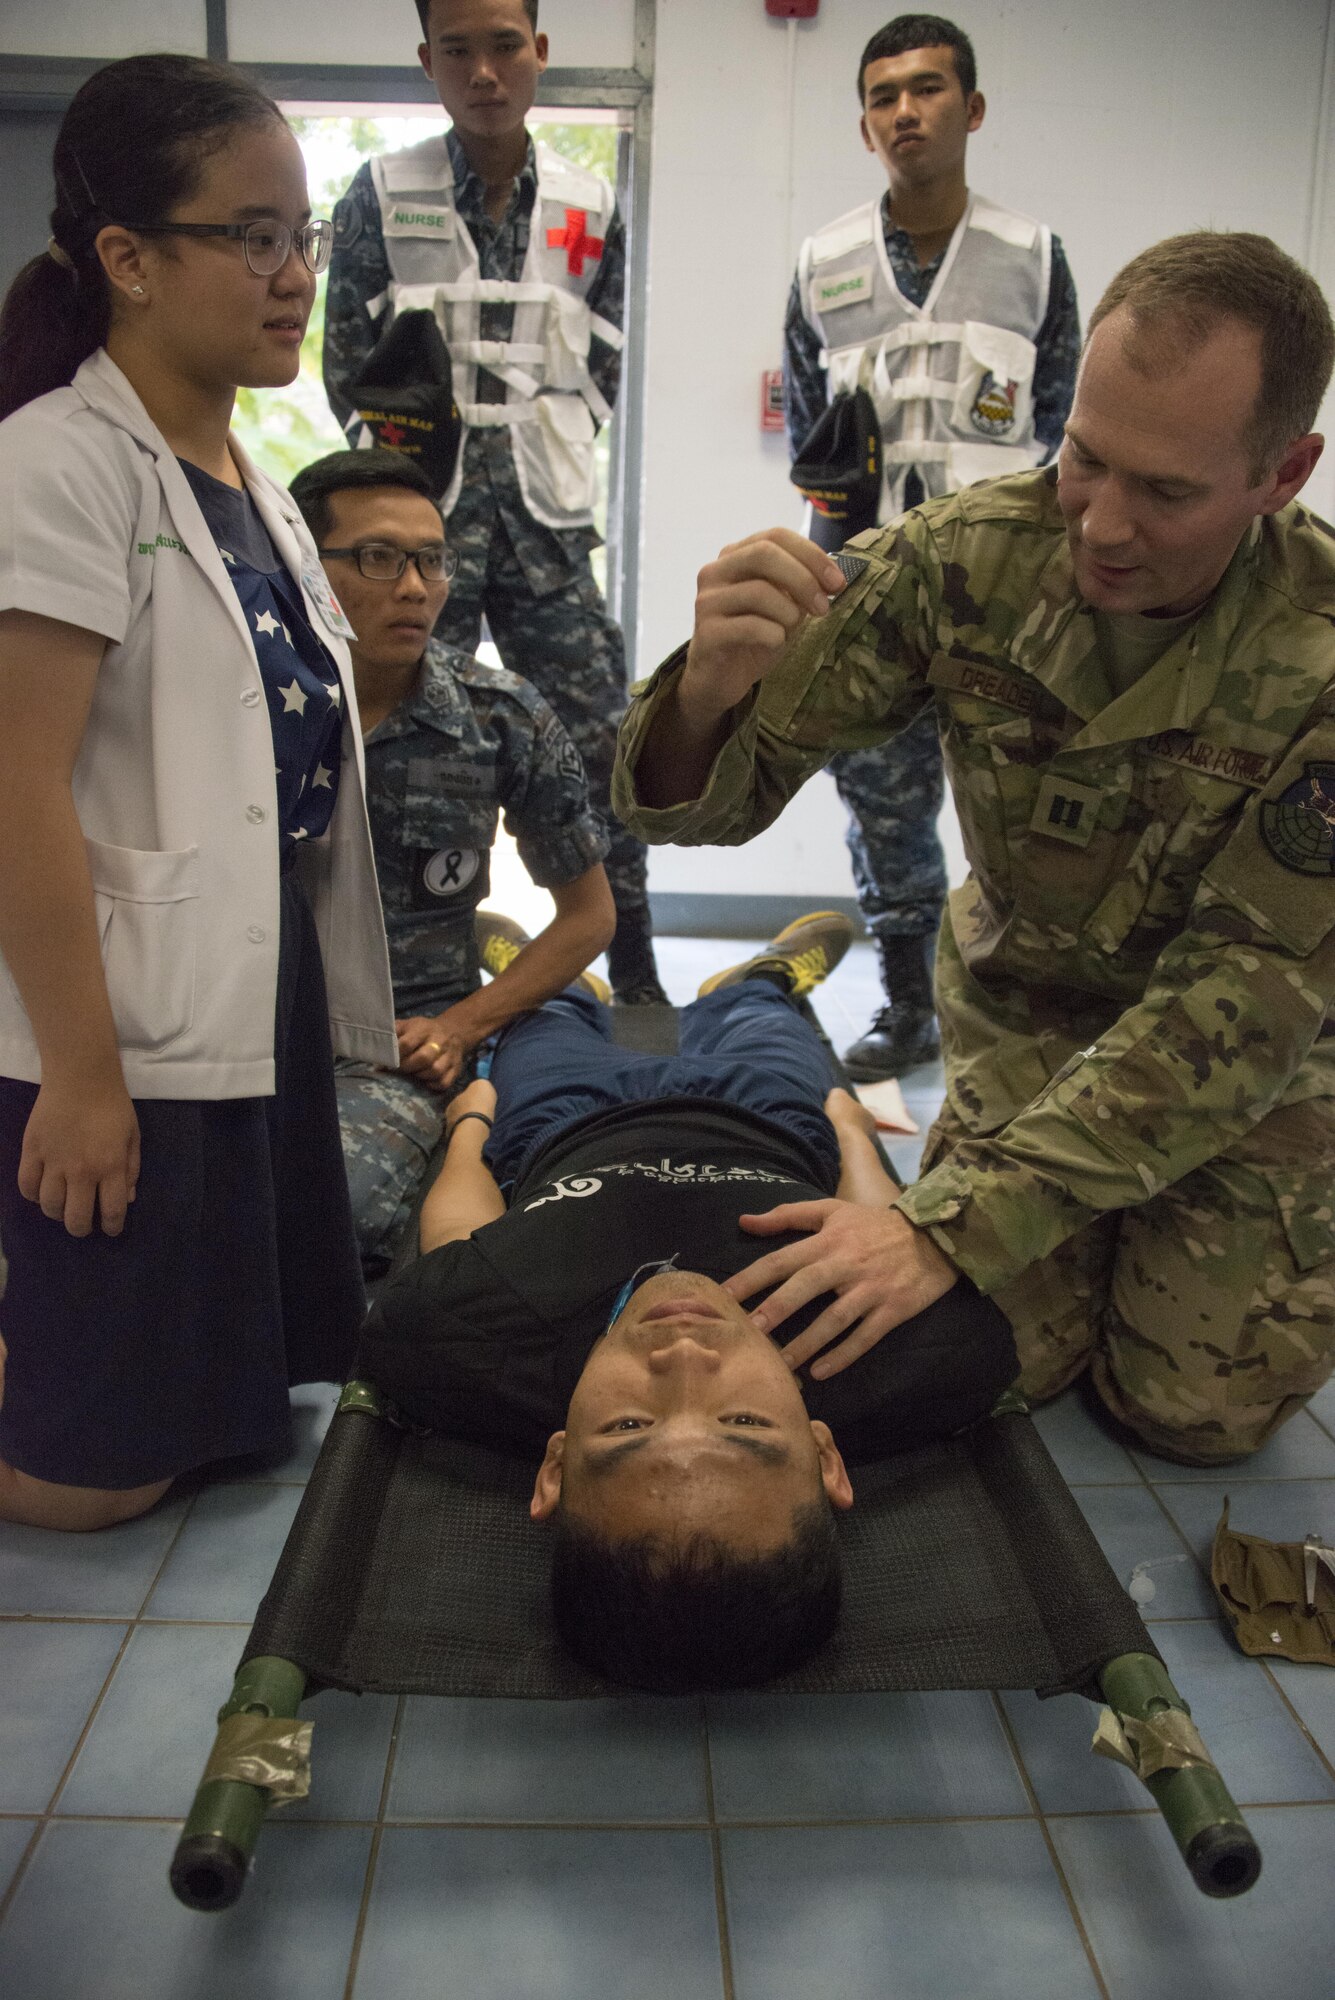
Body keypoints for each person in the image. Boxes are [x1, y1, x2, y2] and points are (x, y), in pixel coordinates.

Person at [614, 230, 1335, 1469]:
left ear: (1282, 474)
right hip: (1028, 1020)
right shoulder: (965, 562)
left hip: (1251, 1076)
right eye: (1084, 460)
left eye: (1164, 491)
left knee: (1189, 1416)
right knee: (996, 1359)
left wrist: (950, 1221)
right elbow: (701, 809)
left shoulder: (1320, 653)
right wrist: (703, 695)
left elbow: (1247, 997)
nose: (1101, 524)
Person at [0, 57, 396, 1530]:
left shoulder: (256, 482)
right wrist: (85, 1081)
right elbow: (14, 788)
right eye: (254, 236)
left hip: (245, 988)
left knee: (235, 1417)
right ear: (128, 261)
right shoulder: (56, 468)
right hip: (114, 1018)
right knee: (92, 1489)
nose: (296, 275)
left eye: (304, 236)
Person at [359, 912, 1018, 1691]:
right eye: (742, 1421)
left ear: (555, 1467)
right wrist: (849, 1134)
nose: (681, 1358)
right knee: (762, 1023)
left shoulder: (465, 1339)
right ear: (825, 1454)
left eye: (627, 1424)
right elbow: (880, 1232)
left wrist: (469, 1126)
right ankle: (754, 984)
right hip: (765, 1122)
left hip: (567, 1119)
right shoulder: (903, 1351)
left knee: (540, 1025)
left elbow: (461, 1234)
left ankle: (566, 984)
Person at [322, 0, 666, 1004]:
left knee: (605, 739)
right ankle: (405, 970)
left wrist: (536, 436)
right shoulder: (379, 193)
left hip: (545, 525)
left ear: (540, 53)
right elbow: (349, 361)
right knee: (405, 734)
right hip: (419, 521)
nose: (484, 72)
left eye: (505, 47)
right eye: (459, 52)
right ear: (428, 61)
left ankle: (635, 969)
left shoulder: (591, 202)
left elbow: (603, 356)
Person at [784, 15, 1080, 1081]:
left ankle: (1026, 1005)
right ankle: (910, 1008)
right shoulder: (822, 263)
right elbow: (810, 428)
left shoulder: (1033, 259)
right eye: (882, 97)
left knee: (1023, 794)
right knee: (882, 799)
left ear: (972, 108)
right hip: (872, 583)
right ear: (866, 126)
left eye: (927, 89)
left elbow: (1062, 430)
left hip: (1005, 587)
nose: (904, 112)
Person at [288, 446, 615, 1270]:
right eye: (377, 557)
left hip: (391, 1045)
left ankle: (489, 958)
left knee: (334, 1214)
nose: (414, 587)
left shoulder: (495, 717)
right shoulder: (236, 702)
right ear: (300, 561)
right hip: (236, 1028)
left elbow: (588, 915)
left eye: (431, 560)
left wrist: (461, 1025)